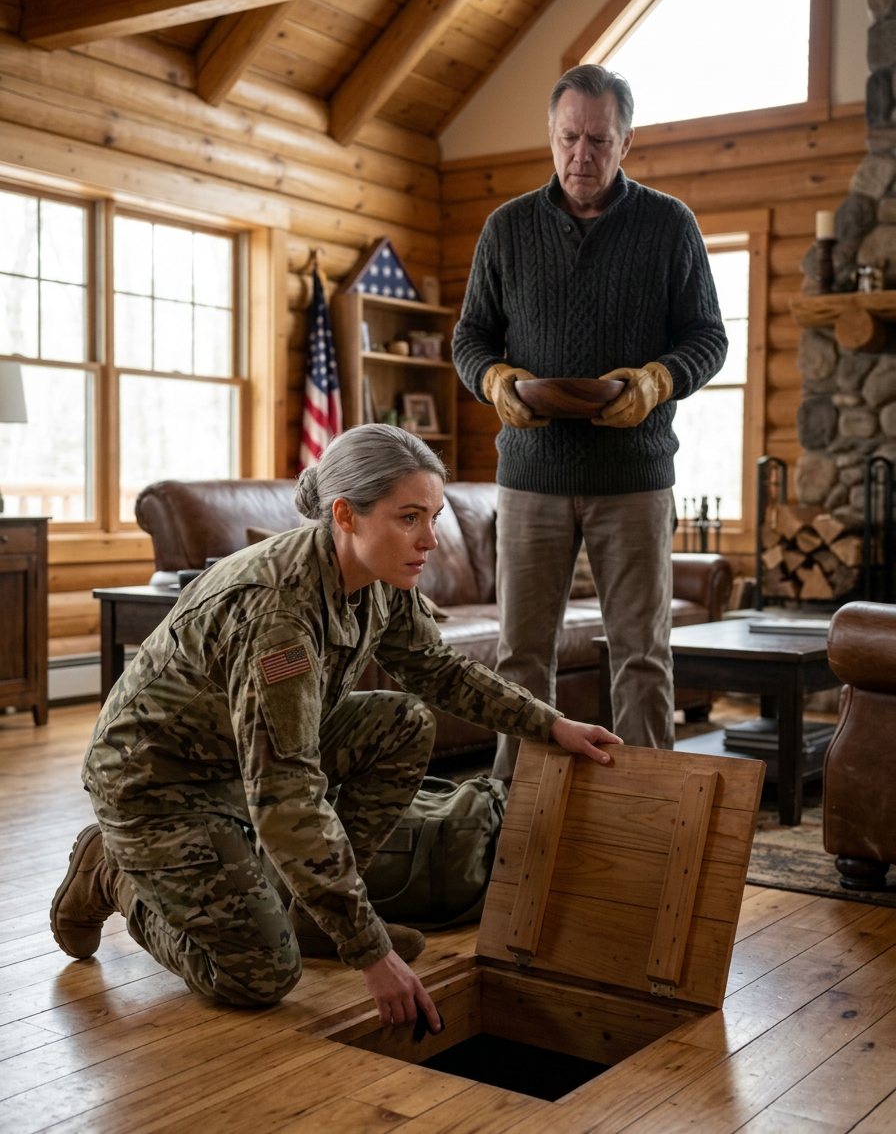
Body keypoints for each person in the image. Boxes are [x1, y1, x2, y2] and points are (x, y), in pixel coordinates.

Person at [50, 424, 621, 1031]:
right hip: (157, 787)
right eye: (409, 518)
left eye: (434, 516)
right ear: (346, 514)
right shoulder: (278, 616)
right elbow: (287, 797)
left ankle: (305, 912)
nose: (430, 539)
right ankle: (109, 870)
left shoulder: (381, 577)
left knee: (402, 722)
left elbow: (438, 671)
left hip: (237, 761)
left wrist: (551, 724)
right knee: (258, 977)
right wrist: (370, 950)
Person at [452, 64, 727, 784]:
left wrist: (657, 380)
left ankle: (647, 814)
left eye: (598, 139)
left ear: (626, 140)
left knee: (642, 653)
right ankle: (510, 813)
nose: (582, 154)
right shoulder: (506, 228)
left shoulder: (670, 224)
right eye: (569, 137)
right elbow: (469, 338)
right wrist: (495, 381)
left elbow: (708, 337)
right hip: (531, 478)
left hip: (633, 476)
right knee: (520, 658)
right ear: (551, 135)